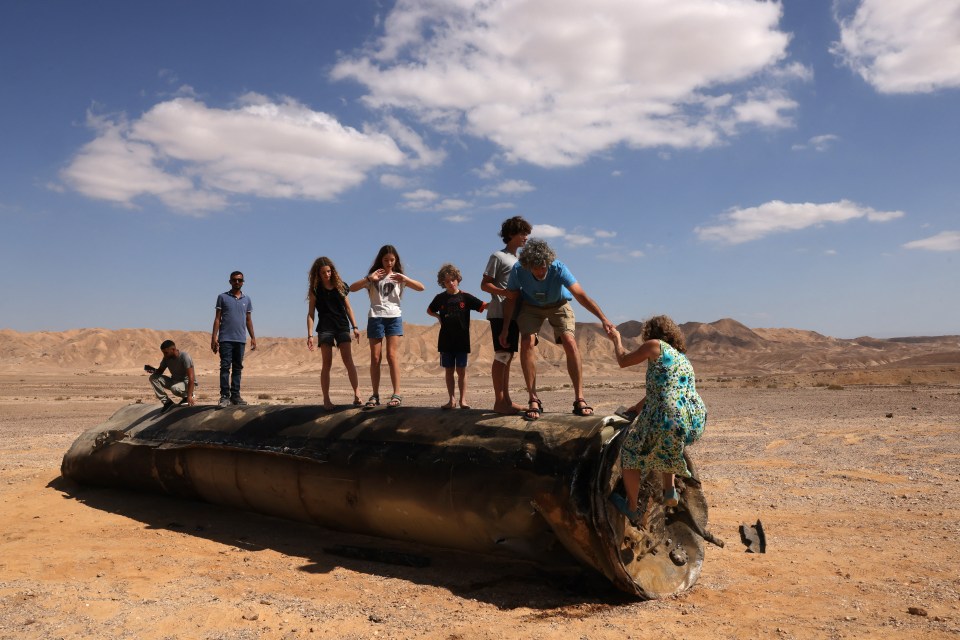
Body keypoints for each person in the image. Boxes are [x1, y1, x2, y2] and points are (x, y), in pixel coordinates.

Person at [499, 238, 615, 421]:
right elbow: (511, 299)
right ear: (528, 265)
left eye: (543, 266)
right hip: (531, 306)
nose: (540, 271)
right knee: (527, 341)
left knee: (569, 342)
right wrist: (505, 328)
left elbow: (581, 295)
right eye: (535, 268)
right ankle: (533, 399)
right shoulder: (518, 270)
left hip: (558, 304)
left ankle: (579, 399)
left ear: (548, 262)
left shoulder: (558, 268)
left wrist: (603, 319)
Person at [606, 315, 707, 522]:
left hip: (668, 414)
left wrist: (616, 339)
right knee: (666, 445)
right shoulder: (681, 358)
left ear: (652, 333)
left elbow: (623, 361)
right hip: (691, 417)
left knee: (630, 452)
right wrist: (637, 407)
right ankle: (670, 491)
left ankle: (633, 507)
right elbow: (663, 389)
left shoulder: (655, 346)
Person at [349, 245, 424, 409]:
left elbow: (421, 287)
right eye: (385, 260)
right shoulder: (374, 277)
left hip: (394, 317)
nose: (389, 263)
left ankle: (396, 394)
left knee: (391, 356)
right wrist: (369, 279)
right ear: (380, 260)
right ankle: (375, 395)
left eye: (392, 260)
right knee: (375, 358)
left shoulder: (398, 277)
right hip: (376, 318)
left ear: (395, 260)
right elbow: (351, 288)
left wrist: (406, 279)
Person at [481, 215, 531, 415]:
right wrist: (504, 293)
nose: (526, 237)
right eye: (522, 233)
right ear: (511, 234)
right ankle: (499, 401)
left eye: (527, 234)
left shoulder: (519, 260)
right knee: (502, 355)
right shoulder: (497, 257)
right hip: (500, 313)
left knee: (508, 356)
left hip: (515, 315)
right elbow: (484, 284)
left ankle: (506, 401)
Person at [427, 263, 487, 409]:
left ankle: (463, 400)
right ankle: (451, 400)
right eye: (447, 281)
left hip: (462, 340)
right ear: (443, 283)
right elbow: (429, 310)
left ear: (458, 279)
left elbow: (483, 305)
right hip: (446, 341)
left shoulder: (465, 297)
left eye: (453, 280)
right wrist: (438, 317)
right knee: (449, 370)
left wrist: (499, 301)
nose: (451, 283)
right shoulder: (439, 298)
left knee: (461, 371)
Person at [306, 256, 362, 410]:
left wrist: (355, 327)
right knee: (327, 364)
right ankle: (326, 399)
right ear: (318, 274)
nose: (327, 275)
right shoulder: (315, 290)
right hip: (325, 328)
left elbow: (348, 308)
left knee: (348, 360)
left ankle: (357, 394)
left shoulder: (341, 286)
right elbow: (310, 313)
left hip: (342, 326)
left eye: (329, 271)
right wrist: (310, 335)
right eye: (324, 273)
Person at [211, 270, 256, 408]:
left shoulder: (247, 299)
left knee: (237, 368)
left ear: (243, 282)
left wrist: (253, 337)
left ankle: (235, 396)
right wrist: (214, 337)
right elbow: (218, 318)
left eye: (240, 280)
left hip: (240, 339)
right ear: (230, 281)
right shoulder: (222, 297)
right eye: (234, 280)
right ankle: (225, 396)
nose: (237, 282)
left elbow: (248, 319)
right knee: (225, 367)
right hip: (225, 338)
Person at [146, 339, 196, 414]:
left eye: (166, 353)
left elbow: (191, 378)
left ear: (173, 349)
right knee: (153, 378)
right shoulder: (166, 358)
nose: (164, 355)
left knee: (174, 388)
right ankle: (167, 402)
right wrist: (153, 370)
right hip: (174, 381)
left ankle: (187, 395)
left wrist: (189, 396)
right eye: (163, 353)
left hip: (186, 383)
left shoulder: (185, 357)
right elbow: (160, 371)